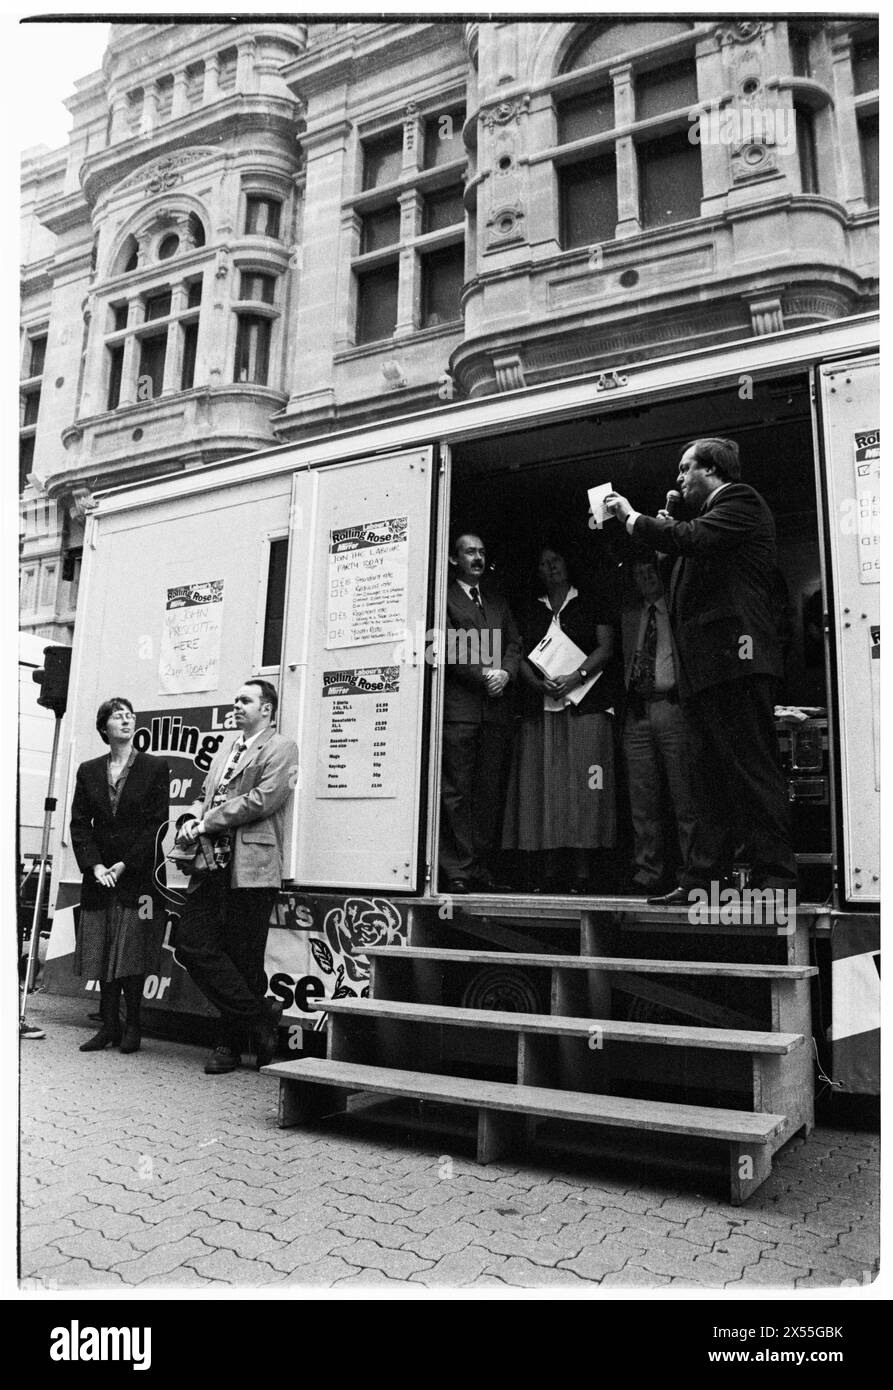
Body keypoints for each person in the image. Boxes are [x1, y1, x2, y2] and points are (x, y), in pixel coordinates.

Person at [605, 437, 797, 902]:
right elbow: (686, 553)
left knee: (752, 770)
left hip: (737, 665)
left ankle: (778, 879)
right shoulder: (705, 524)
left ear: (711, 470)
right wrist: (668, 535)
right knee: (705, 780)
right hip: (706, 674)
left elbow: (691, 540)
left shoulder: (739, 500)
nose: (678, 478)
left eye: (685, 468)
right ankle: (702, 880)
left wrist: (633, 519)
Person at [175, 678, 298, 1074]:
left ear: (267, 708)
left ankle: (229, 1045)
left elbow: (263, 799)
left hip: (252, 867)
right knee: (190, 945)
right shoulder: (227, 748)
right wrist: (192, 816)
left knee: (243, 958)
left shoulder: (282, 747)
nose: (237, 705)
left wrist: (207, 820)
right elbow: (206, 794)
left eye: (245, 700)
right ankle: (261, 1016)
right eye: (235, 699)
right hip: (211, 864)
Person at [502, 544, 623, 893]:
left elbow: (606, 647)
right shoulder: (530, 608)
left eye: (555, 560)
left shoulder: (589, 599)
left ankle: (585, 874)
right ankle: (550, 872)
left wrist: (576, 677)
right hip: (542, 707)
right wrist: (537, 683)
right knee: (547, 788)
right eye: (543, 564)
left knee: (586, 788)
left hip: (587, 704)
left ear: (568, 564)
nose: (550, 567)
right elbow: (519, 651)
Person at [70, 698, 170, 1053]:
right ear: (104, 728)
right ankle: (109, 1025)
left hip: (137, 875)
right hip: (100, 877)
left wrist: (125, 864)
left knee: (132, 952)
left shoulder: (155, 768)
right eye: (117, 716)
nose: (126, 719)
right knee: (104, 949)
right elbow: (79, 824)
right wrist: (95, 866)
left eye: (130, 715)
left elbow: (157, 824)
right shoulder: (88, 769)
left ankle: (134, 1026)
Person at [440, 532, 521, 893]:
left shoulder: (497, 602)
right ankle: (457, 867)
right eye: (470, 551)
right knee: (457, 790)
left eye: (481, 551)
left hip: (495, 711)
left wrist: (505, 672)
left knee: (488, 792)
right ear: (455, 559)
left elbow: (515, 645)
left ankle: (481, 867)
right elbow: (445, 648)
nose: (477, 557)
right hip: (462, 709)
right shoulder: (445, 599)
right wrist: (484, 675)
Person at [621, 555, 698, 895]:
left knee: (686, 797)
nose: (645, 576)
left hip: (673, 707)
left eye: (651, 570)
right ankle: (647, 872)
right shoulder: (629, 616)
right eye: (639, 571)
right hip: (637, 711)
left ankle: (691, 874)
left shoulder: (679, 611)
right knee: (643, 801)